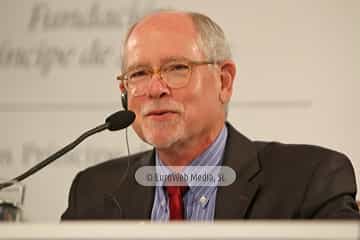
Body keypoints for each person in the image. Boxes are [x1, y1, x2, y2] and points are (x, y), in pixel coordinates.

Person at [62, 10, 359, 220]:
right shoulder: (91, 192)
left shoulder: (310, 180)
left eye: (177, 68)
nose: (154, 89)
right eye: (138, 73)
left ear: (224, 81)